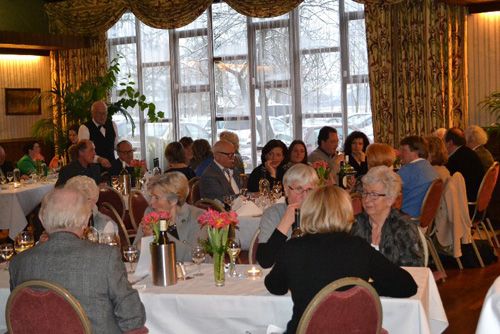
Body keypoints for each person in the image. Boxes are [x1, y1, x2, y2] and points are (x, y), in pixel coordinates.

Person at [265, 185, 418, 334]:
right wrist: (362, 288)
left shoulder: (294, 248)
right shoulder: (358, 247)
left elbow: (275, 287)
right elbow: (407, 286)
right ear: (346, 213)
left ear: (308, 213)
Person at [9, 187, 146, 334]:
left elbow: (18, 315)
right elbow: (133, 318)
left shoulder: (18, 262)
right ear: (86, 220)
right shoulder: (106, 257)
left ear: (42, 220)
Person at [351, 166, 424, 267]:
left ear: (390, 199)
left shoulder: (403, 228)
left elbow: (414, 269)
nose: (367, 199)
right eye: (365, 192)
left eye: (374, 195)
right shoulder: (354, 224)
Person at [135, 172, 207, 262]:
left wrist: (160, 234)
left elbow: (195, 257)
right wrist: (145, 239)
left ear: (173, 200)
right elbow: (134, 256)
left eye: (156, 198)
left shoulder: (197, 216)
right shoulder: (150, 212)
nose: (151, 202)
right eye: (151, 197)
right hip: (160, 271)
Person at [256, 164, 318, 268]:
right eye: (299, 189)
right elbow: (265, 261)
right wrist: (285, 222)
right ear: (286, 190)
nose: (305, 195)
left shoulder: (322, 213)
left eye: (310, 190)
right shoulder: (274, 213)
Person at [397, 136, 437, 219]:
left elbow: (385, 189)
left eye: (403, 150)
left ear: (415, 152)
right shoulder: (430, 169)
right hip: (422, 220)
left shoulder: (409, 169)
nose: (400, 154)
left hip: (405, 221)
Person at [444, 127, 485, 202]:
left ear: (450, 143)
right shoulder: (470, 153)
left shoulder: (454, 160)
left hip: (466, 199)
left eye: (444, 141)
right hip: (477, 196)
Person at [78, 101, 118, 169]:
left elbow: (115, 145)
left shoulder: (112, 124)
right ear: (93, 113)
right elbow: (84, 153)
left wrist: (125, 151)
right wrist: (99, 159)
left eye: (104, 113)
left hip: (111, 166)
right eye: (99, 114)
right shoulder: (84, 128)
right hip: (93, 169)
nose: (102, 117)